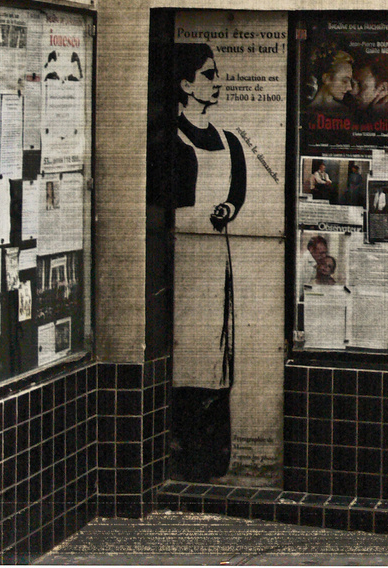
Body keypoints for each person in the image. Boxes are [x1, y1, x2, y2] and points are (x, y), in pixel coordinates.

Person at [150, 42, 246, 482]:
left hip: (217, 256)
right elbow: (165, 201)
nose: (216, 81)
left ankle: (214, 453)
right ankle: (187, 450)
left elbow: (236, 191)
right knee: (190, 347)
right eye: (208, 74)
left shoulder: (229, 141)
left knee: (219, 350)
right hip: (186, 259)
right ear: (186, 84)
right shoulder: (169, 138)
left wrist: (227, 208)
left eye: (216, 73)